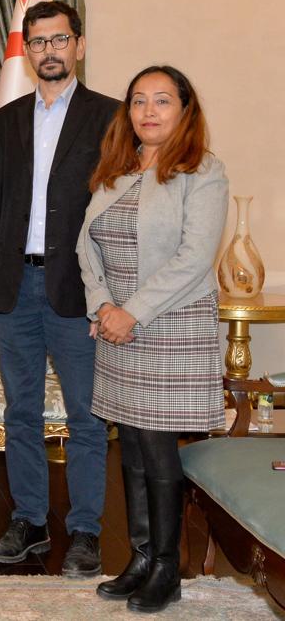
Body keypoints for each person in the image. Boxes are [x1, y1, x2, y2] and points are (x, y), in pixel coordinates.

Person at [78, 66, 227, 613]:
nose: (148, 111)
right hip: (117, 326)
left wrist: (132, 313)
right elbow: (86, 245)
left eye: (162, 100)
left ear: (184, 109)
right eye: (139, 101)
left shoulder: (202, 170)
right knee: (133, 445)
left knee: (159, 447)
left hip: (169, 325)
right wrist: (102, 306)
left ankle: (168, 568)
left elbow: (194, 257)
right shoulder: (117, 169)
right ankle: (141, 558)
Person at [0, 0, 118, 576]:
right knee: (21, 413)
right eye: (37, 42)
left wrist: (108, 296)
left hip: (78, 290)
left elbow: (119, 213)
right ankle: (30, 521)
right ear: (27, 51)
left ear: (79, 45)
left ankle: (85, 531)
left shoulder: (111, 117)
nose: (48, 51)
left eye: (59, 40)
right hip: (15, 287)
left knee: (86, 416)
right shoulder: (7, 119)